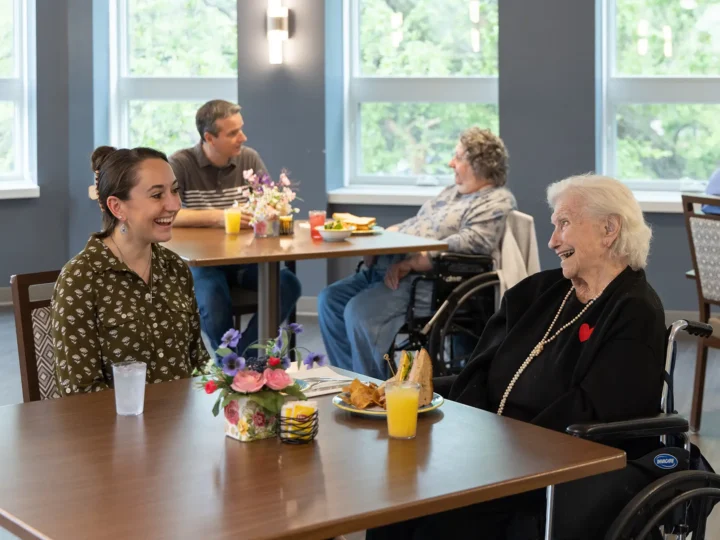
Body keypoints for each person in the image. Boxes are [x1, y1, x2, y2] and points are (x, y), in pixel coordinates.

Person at [366, 175, 667, 540]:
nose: (553, 240)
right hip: (491, 452)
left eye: (565, 224)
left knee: (437, 517)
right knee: (392, 497)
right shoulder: (539, 293)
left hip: (552, 471)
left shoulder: (634, 311)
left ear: (609, 229)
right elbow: (480, 370)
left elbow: (596, 416)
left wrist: (495, 449)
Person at [318, 128, 516, 379]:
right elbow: (418, 223)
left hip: (425, 281)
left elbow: (476, 241)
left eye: (458, 157)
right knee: (330, 299)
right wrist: (380, 238)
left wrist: (418, 260)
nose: (450, 163)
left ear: (480, 163)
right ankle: (350, 380)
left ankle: (371, 391)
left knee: (358, 312)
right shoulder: (451, 193)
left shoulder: (495, 200)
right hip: (385, 266)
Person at [51, 146, 210, 394]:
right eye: (157, 195)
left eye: (175, 190)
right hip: (116, 428)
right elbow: (79, 392)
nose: (174, 204)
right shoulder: (81, 279)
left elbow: (198, 361)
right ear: (117, 207)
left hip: (181, 424)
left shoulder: (175, 268)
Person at [169, 99, 301, 352]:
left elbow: (273, 203)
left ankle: (244, 356)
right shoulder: (181, 164)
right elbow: (167, 214)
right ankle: (228, 361)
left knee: (288, 284)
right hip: (204, 263)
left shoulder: (249, 159)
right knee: (211, 293)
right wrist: (220, 216)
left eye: (241, 129)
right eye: (233, 133)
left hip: (245, 261)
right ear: (209, 137)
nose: (243, 137)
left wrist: (271, 210)